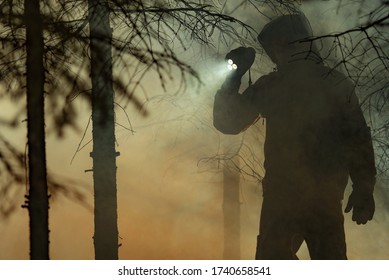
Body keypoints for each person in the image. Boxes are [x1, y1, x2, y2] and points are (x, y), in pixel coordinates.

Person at [213, 14, 376, 259]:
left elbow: (228, 121)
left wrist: (233, 76)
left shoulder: (275, 84)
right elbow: (358, 139)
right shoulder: (335, 82)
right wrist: (363, 187)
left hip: (284, 198)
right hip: (321, 197)